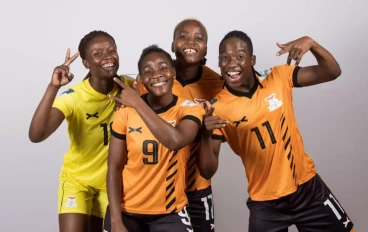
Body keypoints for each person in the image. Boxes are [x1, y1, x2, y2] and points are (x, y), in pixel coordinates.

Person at [200, 30, 355, 232]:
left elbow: (332, 72)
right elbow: (208, 170)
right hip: (266, 203)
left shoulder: (279, 77)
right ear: (219, 63)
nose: (231, 63)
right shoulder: (217, 107)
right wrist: (204, 134)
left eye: (239, 56)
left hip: (307, 189)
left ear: (252, 59)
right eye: (224, 58)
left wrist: (312, 44)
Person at [28, 30, 135, 232]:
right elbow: (36, 135)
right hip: (77, 181)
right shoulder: (74, 96)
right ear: (85, 63)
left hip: (111, 184)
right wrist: (53, 87)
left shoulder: (130, 88)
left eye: (112, 50)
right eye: (98, 54)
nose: (108, 57)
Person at [105, 44, 206, 232]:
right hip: (126, 211)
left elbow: (175, 141)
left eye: (163, 68)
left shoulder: (190, 109)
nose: (156, 74)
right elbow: (114, 166)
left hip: (170, 212)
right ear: (141, 79)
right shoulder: (125, 113)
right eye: (148, 71)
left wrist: (137, 102)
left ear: (174, 73)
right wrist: (115, 221)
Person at [136, 18, 224, 232]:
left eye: (199, 38)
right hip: (155, 189)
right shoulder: (153, 78)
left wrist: (205, 133)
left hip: (195, 188)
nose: (191, 42)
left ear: (206, 49)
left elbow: (209, 167)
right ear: (173, 45)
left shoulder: (218, 86)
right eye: (183, 37)